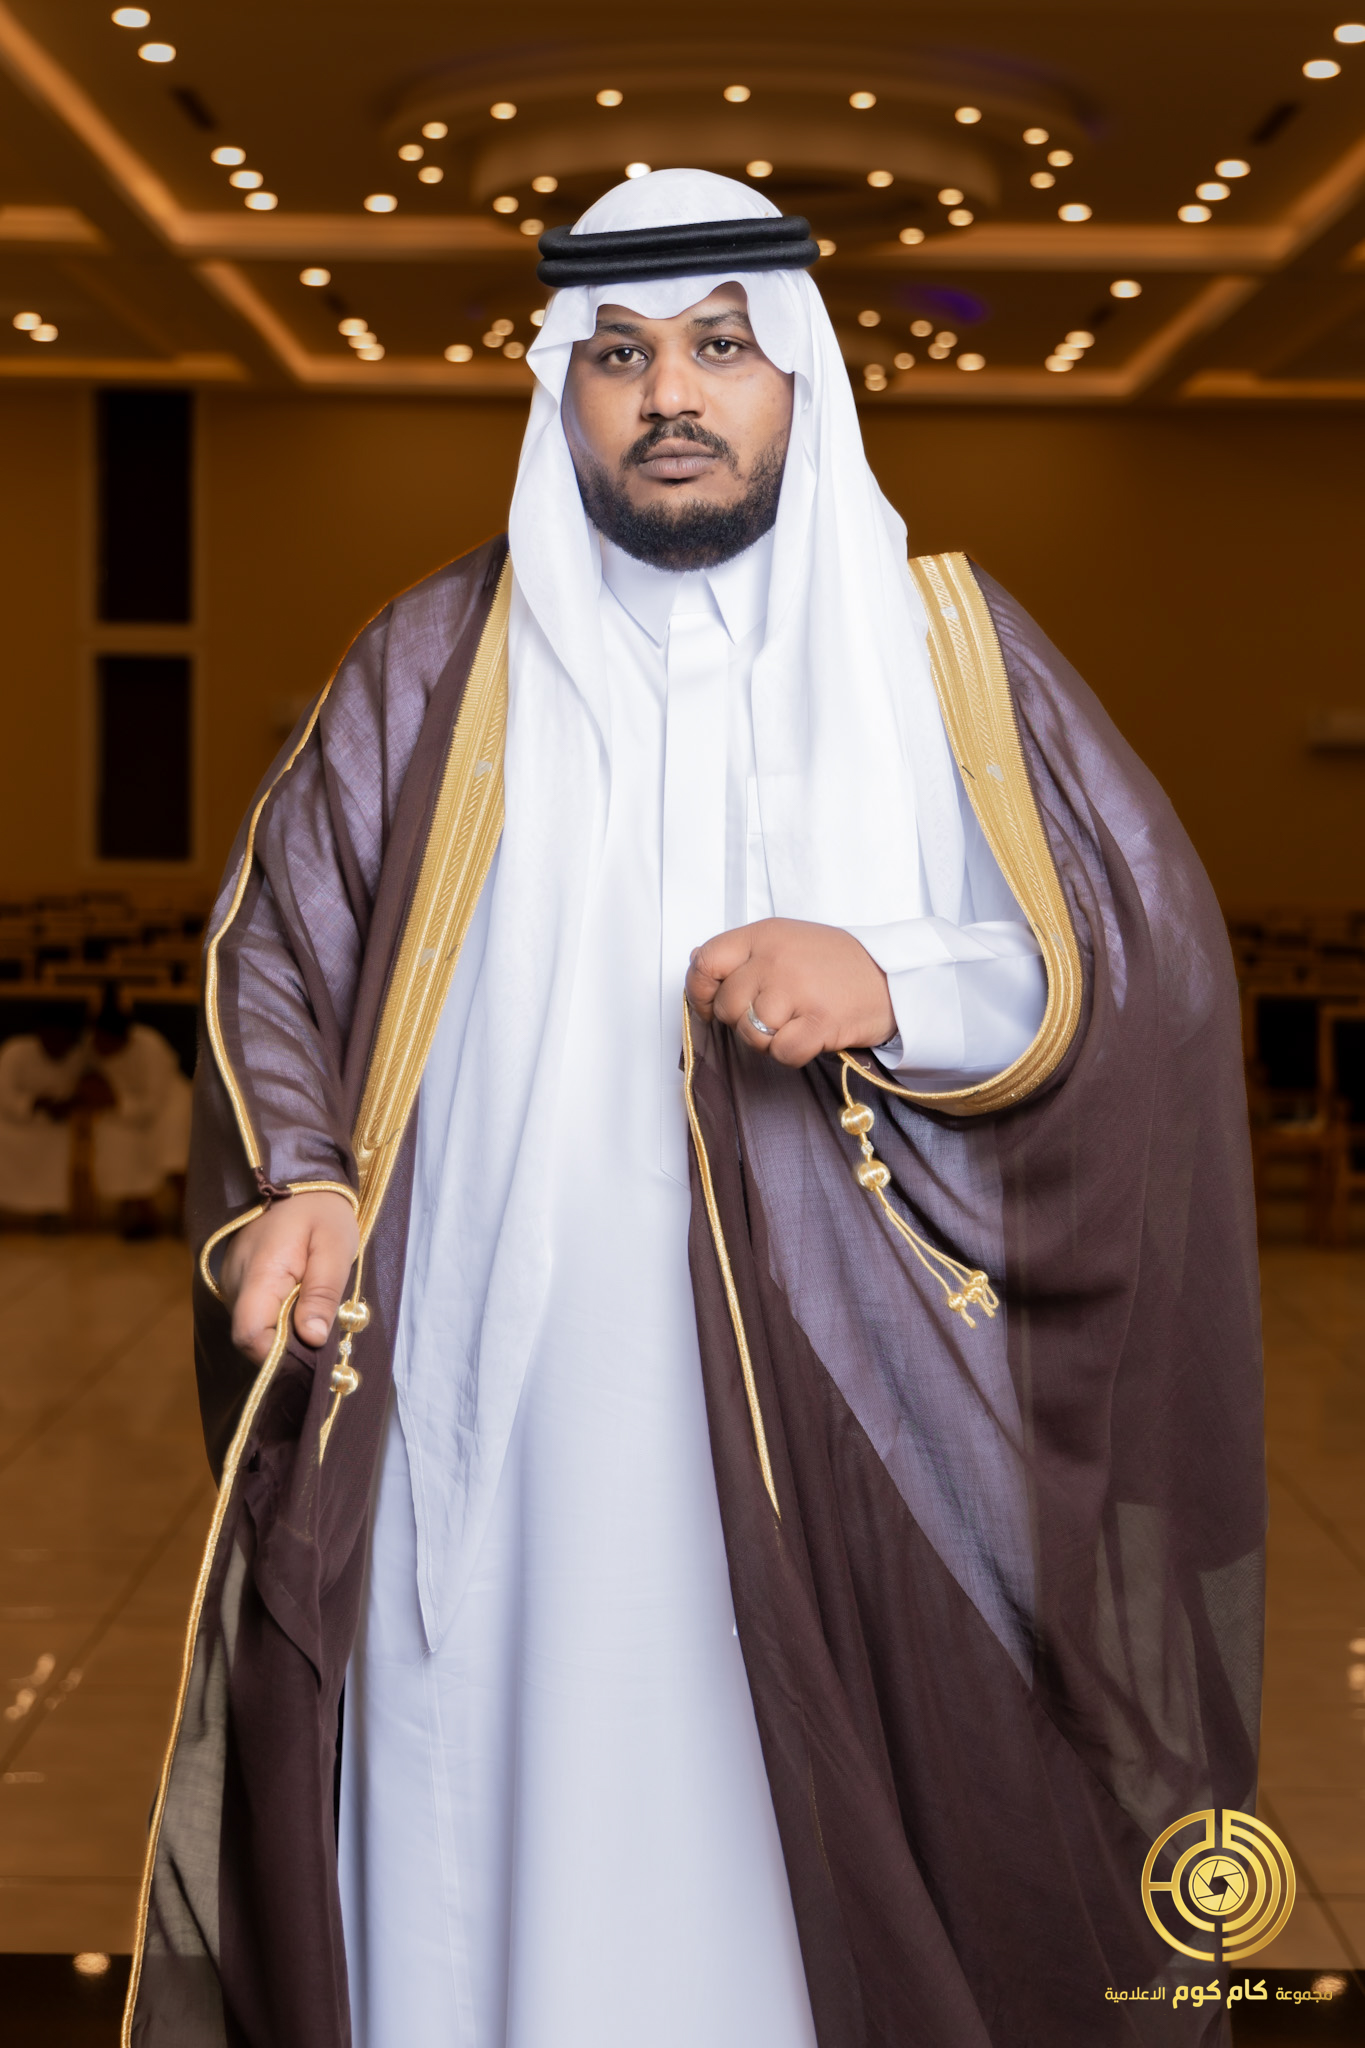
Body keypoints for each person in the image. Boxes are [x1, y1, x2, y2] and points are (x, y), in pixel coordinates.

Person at [125, 172, 1264, 2048]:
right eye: (619, 354)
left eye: (721, 345)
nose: (671, 393)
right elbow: (280, 952)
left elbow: (1137, 959)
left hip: (849, 1443)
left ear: (797, 373)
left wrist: (897, 976)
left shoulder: (944, 651)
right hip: (483, 1427)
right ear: (559, 394)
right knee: (473, 1848)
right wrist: (303, 1183)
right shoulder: (436, 662)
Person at [88, 991, 192, 1238]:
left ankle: (187, 1219)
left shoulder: (150, 1045)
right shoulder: (91, 1047)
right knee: (114, 1140)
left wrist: (117, 1102)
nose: (100, 1046)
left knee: (173, 1156)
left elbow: (154, 1100)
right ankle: (146, 1216)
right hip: (125, 1110)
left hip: (170, 1105)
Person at [0, 1008, 87, 1220]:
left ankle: (51, 1211)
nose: (57, 1045)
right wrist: (37, 1103)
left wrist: (67, 1105)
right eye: (53, 1038)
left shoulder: (78, 1057)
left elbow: (81, 1090)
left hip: (56, 1124)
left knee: (59, 1145)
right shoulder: (15, 1051)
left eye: (63, 1040)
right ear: (41, 1034)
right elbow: (4, 1095)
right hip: (11, 1120)